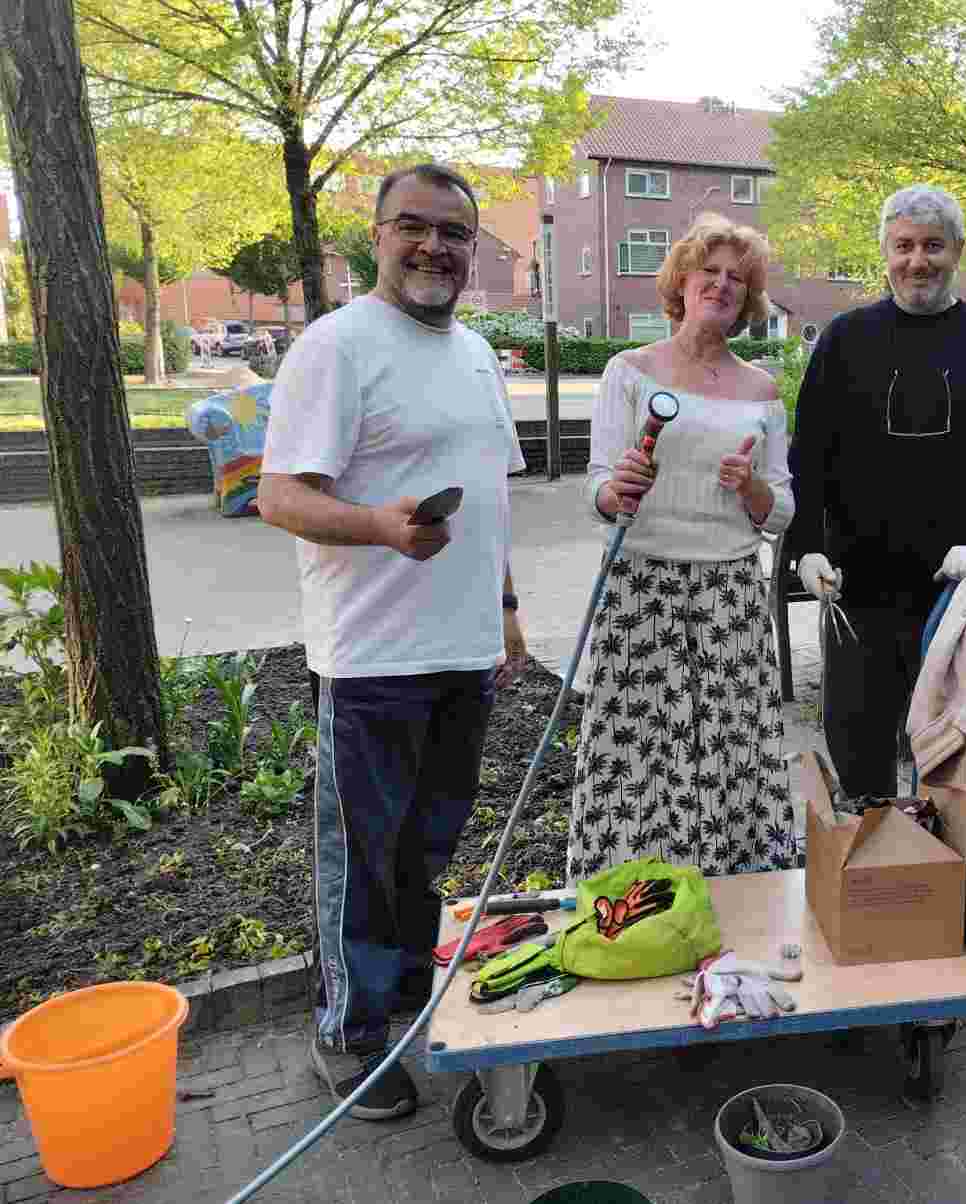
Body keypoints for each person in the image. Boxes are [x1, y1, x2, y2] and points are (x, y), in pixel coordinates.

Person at [258, 163, 528, 1121]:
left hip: (461, 652)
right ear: (373, 237)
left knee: (427, 844)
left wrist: (502, 608)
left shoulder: (478, 354)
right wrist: (379, 526)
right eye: (413, 226)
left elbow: (486, 493)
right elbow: (278, 495)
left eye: (454, 233)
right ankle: (346, 1037)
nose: (434, 247)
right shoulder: (336, 348)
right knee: (363, 855)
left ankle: (403, 993)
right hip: (370, 658)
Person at [786, 183, 966, 800]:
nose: (917, 260)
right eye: (903, 246)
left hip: (961, 596)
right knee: (859, 750)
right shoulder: (846, 340)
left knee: (955, 760)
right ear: (885, 252)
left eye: (933, 245)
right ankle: (873, 876)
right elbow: (809, 456)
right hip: (860, 596)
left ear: (957, 251)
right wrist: (807, 548)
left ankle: (944, 885)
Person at [569, 212, 795, 880]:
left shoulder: (761, 390)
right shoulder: (629, 372)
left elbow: (781, 511)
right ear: (683, 282)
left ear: (748, 298)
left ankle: (734, 894)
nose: (722, 286)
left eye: (737, 279)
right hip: (644, 589)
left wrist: (751, 487)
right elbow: (597, 488)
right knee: (639, 754)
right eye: (710, 273)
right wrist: (618, 490)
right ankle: (632, 899)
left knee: (731, 751)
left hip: (729, 592)